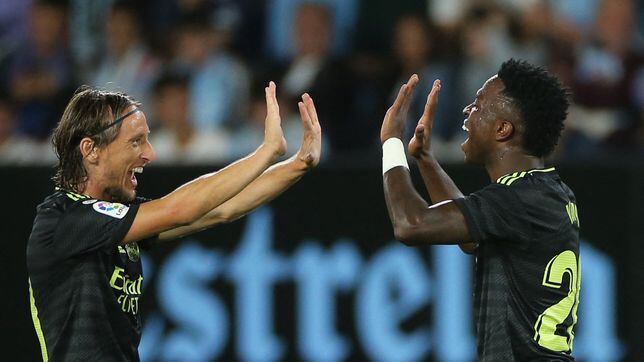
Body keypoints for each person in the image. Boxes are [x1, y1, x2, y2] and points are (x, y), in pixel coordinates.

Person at [26, 81, 322, 360]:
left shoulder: (113, 217)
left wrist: (296, 165)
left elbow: (221, 209)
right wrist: (265, 152)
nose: (149, 154)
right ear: (91, 150)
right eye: (136, 142)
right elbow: (180, 209)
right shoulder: (63, 220)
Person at [379, 59, 580, 360]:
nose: (466, 111)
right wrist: (424, 158)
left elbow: (410, 223)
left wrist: (391, 142)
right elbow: (471, 237)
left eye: (477, 104)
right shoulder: (547, 191)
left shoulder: (519, 198)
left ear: (502, 129)